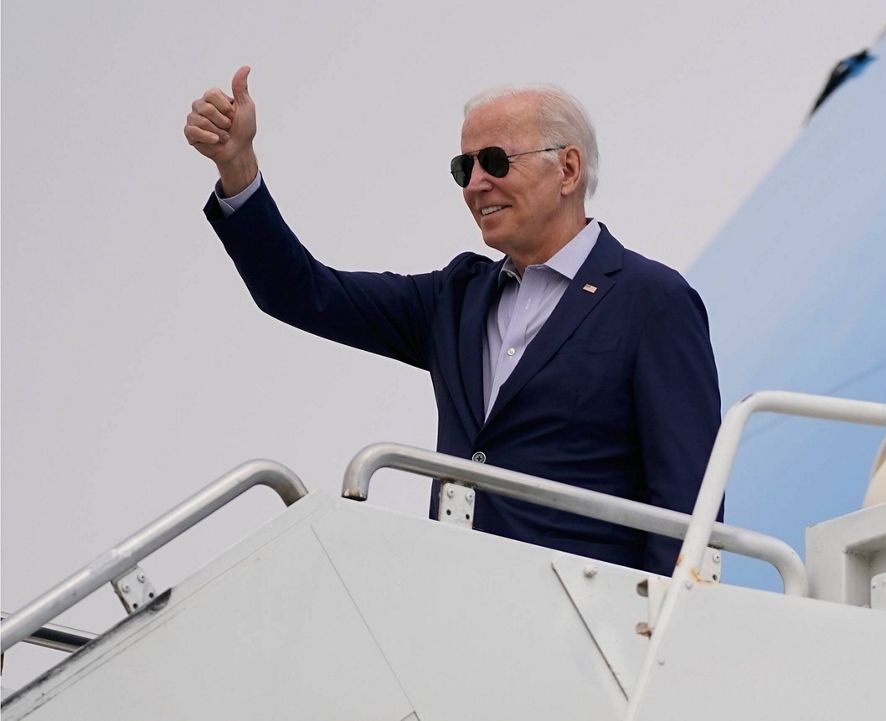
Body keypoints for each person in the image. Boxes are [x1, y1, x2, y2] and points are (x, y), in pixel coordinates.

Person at [184, 66, 722, 574]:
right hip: (458, 603)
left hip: (591, 626)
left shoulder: (651, 299)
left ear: (568, 169)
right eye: (465, 168)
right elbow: (303, 293)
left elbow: (688, 501)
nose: (475, 184)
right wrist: (237, 167)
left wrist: (663, 640)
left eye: (495, 161)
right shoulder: (457, 297)